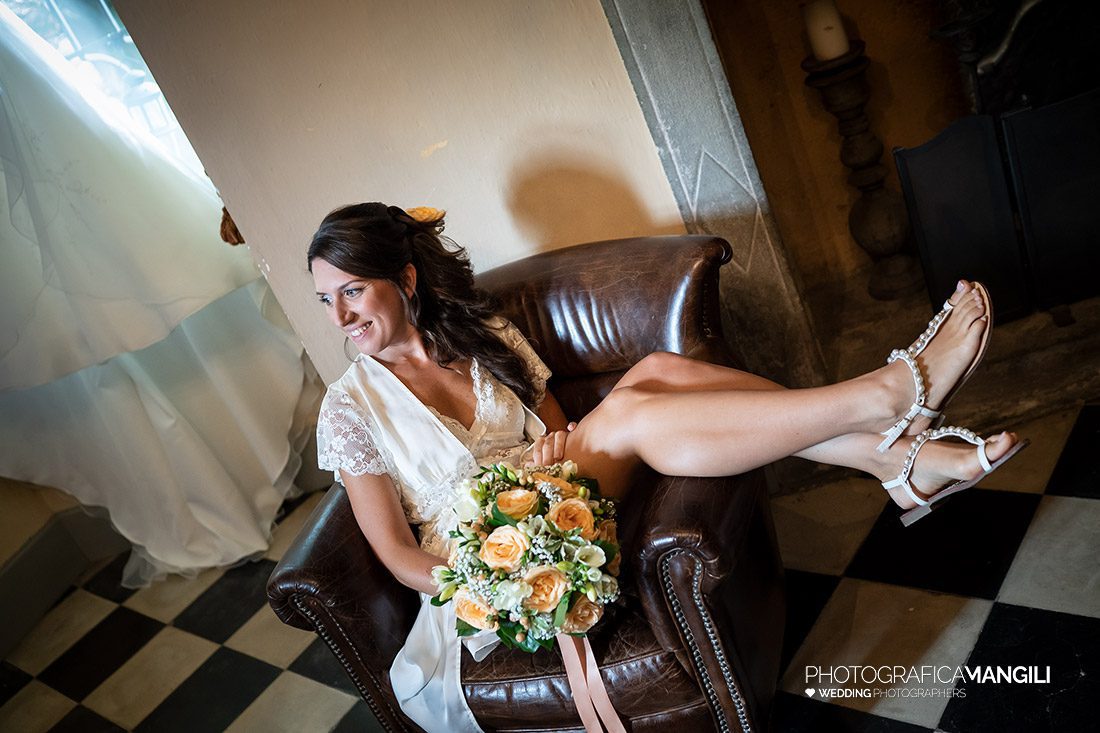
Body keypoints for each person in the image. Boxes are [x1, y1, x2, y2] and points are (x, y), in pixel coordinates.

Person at [309, 202, 1023, 732]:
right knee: (640, 409)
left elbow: (559, 426)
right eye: (325, 300)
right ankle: (884, 406)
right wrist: (498, 580)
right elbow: (401, 557)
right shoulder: (348, 408)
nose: (340, 317)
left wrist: (558, 455)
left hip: (559, 492)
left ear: (403, 277)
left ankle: (886, 453)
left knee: (654, 369)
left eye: (351, 290)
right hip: (486, 564)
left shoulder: (480, 331)